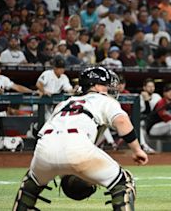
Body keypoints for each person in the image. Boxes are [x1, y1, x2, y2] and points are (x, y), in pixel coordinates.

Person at [12, 66, 148, 210]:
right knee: (123, 182)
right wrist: (137, 150)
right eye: (106, 84)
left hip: (44, 148)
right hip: (77, 147)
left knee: (30, 185)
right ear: (95, 86)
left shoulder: (64, 103)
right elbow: (122, 122)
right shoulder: (104, 100)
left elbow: (43, 134)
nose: (110, 88)